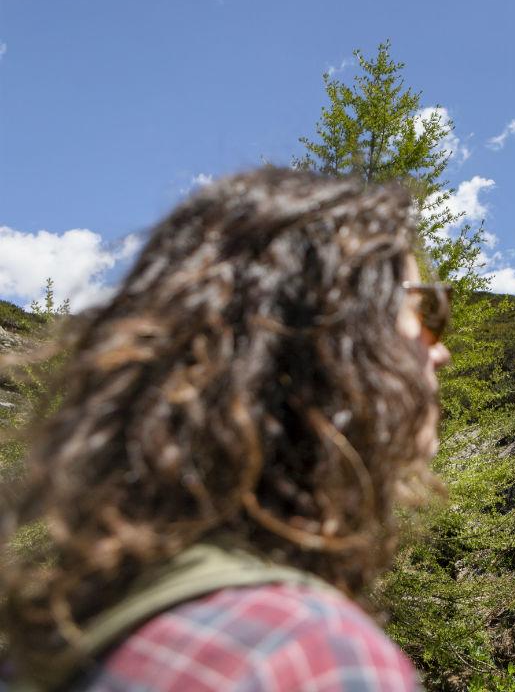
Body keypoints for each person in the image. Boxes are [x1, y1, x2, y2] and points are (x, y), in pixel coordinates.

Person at [0, 167, 451, 691]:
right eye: (425, 312)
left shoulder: (67, 628)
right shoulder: (312, 657)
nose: (439, 350)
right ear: (334, 353)